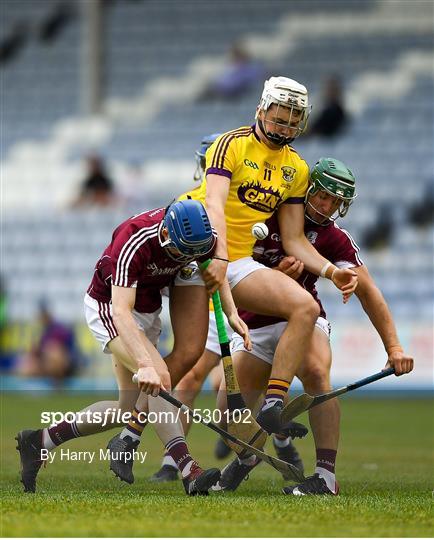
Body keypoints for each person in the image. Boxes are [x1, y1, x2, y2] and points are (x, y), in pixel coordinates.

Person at [16, 199, 250, 495]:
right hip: (111, 309)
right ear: (165, 234)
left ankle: (39, 441)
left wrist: (231, 314)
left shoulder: (200, 236)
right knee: (161, 377)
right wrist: (146, 364)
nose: (189, 257)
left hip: (148, 306)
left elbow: (213, 270)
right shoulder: (134, 239)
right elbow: (121, 312)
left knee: (127, 409)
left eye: (195, 252)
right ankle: (190, 470)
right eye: (182, 252)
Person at [214, 157, 414, 495]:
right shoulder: (261, 217)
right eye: (322, 196)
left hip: (305, 319)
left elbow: (370, 294)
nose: (327, 206)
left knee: (317, 373)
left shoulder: (335, 238)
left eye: (336, 202)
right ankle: (247, 458)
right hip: (255, 325)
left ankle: (325, 476)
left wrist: (394, 348)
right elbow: (232, 280)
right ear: (306, 190)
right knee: (226, 418)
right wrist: (275, 277)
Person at [181, 76, 358, 436]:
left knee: (305, 306)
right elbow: (214, 203)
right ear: (261, 109)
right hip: (193, 251)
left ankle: (274, 404)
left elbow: (294, 238)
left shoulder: (297, 167)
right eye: (281, 117)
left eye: (295, 120)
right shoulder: (230, 144)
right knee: (186, 359)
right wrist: (217, 253)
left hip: (237, 261)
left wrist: (327, 270)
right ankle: (131, 429)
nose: (287, 126)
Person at [17, 300, 80, 384]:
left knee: (54, 352)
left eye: (43, 314)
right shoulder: (43, 333)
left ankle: (58, 385)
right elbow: (38, 352)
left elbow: (68, 350)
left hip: (66, 363)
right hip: (47, 364)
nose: (42, 317)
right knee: (27, 364)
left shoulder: (60, 329)